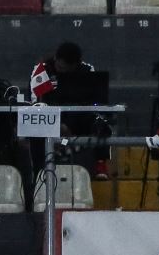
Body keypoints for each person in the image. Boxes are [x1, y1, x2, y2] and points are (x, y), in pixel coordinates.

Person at [29, 40, 110, 177]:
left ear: (76, 65)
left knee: (101, 124)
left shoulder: (87, 69)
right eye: (60, 68)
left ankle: (100, 164)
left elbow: (94, 101)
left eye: (67, 70)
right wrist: (58, 124)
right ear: (56, 59)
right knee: (37, 126)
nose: (63, 72)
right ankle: (38, 171)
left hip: (79, 117)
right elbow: (36, 104)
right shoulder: (41, 70)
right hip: (49, 117)